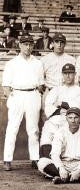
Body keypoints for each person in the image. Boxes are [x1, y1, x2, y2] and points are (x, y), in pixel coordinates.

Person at [2, 34, 44, 171]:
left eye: (30, 44)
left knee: (33, 130)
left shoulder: (38, 63)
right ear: (20, 45)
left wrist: (37, 93)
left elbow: (41, 84)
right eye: (25, 44)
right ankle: (7, 159)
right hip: (17, 95)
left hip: (32, 95)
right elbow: (6, 86)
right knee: (12, 128)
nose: (28, 47)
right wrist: (11, 99)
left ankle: (35, 158)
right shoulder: (11, 63)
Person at [37, 107, 80, 184]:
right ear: (66, 119)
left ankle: (64, 177)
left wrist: (78, 170)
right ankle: (76, 177)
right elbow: (54, 154)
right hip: (64, 163)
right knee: (42, 162)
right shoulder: (60, 132)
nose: (73, 121)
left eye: (76, 118)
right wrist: (61, 169)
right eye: (70, 118)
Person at [40, 63, 80, 158]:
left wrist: (60, 103)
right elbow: (48, 105)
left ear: (75, 74)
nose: (68, 76)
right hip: (56, 118)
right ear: (62, 74)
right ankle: (46, 158)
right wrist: (60, 110)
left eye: (70, 73)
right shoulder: (56, 89)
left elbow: (76, 106)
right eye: (65, 73)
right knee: (47, 127)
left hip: (71, 121)